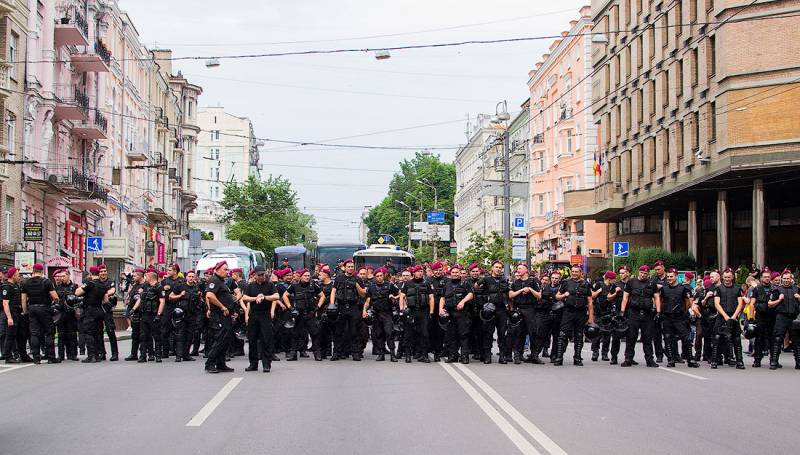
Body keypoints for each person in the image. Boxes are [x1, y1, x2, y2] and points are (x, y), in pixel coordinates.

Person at [620, 265, 661, 368]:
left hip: (647, 314)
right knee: (631, 337)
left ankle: (650, 360)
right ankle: (628, 359)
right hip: (633, 313)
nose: (643, 275)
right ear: (639, 272)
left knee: (647, 338)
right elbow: (625, 297)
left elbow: (656, 298)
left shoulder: (652, 283)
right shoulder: (631, 282)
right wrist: (622, 312)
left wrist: (658, 312)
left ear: (648, 274)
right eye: (642, 272)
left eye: (645, 273)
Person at [554, 265, 595, 366]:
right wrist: (564, 295)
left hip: (580, 313)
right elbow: (557, 296)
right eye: (573, 271)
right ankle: (559, 358)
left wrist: (591, 318)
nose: (574, 273)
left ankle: (577, 358)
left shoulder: (586, 284)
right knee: (563, 335)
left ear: (581, 273)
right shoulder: (566, 283)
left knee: (579, 336)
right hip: (568, 312)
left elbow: (590, 302)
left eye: (576, 271)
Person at [659, 268, 700, 368]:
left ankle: (690, 359)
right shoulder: (663, 289)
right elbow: (660, 300)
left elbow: (688, 302)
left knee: (686, 338)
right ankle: (671, 360)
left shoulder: (683, 288)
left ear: (676, 276)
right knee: (668, 338)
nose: (669, 278)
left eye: (671, 276)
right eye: (668, 277)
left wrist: (685, 311)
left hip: (680, 317)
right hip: (667, 317)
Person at [242, 266, 280, 372]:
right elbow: (244, 298)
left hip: (265, 315)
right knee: (252, 340)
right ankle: (253, 364)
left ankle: (266, 364)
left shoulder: (270, 285)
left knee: (266, 339)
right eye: (260, 275)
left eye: (263, 274)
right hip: (253, 315)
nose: (262, 276)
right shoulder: (250, 286)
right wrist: (255, 298)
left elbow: (276, 296)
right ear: (255, 275)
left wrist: (264, 297)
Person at [20, 264, 60, 364]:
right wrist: (56, 302)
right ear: (41, 271)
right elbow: (55, 297)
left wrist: (25, 311)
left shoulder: (25, 283)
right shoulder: (46, 281)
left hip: (32, 309)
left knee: (34, 333)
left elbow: (23, 300)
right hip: (44, 308)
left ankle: (36, 358)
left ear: (33, 271)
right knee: (49, 332)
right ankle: (51, 357)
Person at [75, 266, 116, 363]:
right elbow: (105, 300)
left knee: (89, 333)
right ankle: (98, 355)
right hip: (99, 310)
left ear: (90, 274)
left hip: (90, 311)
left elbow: (77, 293)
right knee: (98, 333)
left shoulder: (90, 283)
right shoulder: (104, 285)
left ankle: (91, 355)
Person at [204, 261, 237, 373]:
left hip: (226, 315)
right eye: (225, 269)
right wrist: (222, 307)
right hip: (218, 315)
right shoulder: (214, 280)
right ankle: (210, 363)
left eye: (227, 269)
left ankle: (221, 363)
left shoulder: (221, 281)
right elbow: (209, 295)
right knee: (220, 339)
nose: (227, 272)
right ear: (217, 269)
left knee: (225, 339)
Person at [283, 269, 324, 361]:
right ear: (301, 276)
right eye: (305, 275)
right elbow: (285, 295)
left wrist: (318, 307)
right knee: (295, 334)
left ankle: (317, 354)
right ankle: (293, 354)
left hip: (310, 313)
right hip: (299, 314)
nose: (307, 277)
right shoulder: (294, 285)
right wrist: (290, 308)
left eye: (308, 275)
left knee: (315, 334)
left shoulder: (313, 285)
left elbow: (322, 296)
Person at [330, 259, 366, 361]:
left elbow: (363, 294)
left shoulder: (358, 279)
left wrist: (357, 286)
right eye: (349, 266)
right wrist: (332, 304)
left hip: (354, 307)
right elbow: (333, 291)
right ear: (345, 267)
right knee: (338, 332)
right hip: (341, 307)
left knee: (354, 332)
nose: (350, 268)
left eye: (352, 267)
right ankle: (336, 353)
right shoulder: (339, 278)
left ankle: (355, 353)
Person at [364, 267, 400, 361]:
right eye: (377, 276)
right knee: (378, 334)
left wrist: (394, 296)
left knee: (389, 333)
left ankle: (392, 354)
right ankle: (381, 353)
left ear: (383, 276)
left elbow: (401, 293)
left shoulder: (390, 285)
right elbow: (368, 301)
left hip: (387, 313)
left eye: (381, 276)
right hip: (376, 313)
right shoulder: (371, 287)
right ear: (375, 277)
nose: (379, 277)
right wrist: (364, 310)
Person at [399, 265, 434, 363]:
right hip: (411, 311)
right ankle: (407, 355)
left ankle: (424, 355)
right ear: (413, 273)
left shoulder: (427, 283)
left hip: (424, 311)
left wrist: (431, 312)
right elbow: (402, 297)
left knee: (424, 334)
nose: (420, 273)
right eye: (418, 271)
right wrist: (402, 309)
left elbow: (431, 298)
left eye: (421, 271)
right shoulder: (407, 284)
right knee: (408, 334)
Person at [712, 269, 745, 369]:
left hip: (733, 317)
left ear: (732, 277)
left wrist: (734, 316)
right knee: (717, 338)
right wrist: (725, 316)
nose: (727, 279)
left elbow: (740, 303)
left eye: (729, 277)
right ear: (722, 277)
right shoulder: (718, 289)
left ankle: (739, 361)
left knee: (737, 339)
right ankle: (715, 360)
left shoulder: (737, 289)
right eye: (725, 277)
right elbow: (716, 303)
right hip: (722, 316)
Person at [508, 264, 541, 365]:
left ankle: (534, 355)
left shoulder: (533, 281)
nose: (517, 270)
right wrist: (521, 290)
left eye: (519, 268)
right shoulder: (515, 282)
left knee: (533, 333)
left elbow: (539, 295)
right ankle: (518, 355)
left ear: (526, 270)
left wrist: (530, 289)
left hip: (530, 309)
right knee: (518, 333)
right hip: (519, 309)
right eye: (517, 269)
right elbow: (511, 295)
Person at [440, 264, 473, 364]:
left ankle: (464, 356)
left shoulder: (465, 283)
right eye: (453, 272)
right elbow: (442, 298)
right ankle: (453, 355)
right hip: (450, 312)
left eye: (457, 272)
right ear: (450, 274)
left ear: (460, 273)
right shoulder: (447, 284)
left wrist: (463, 301)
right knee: (451, 335)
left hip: (462, 313)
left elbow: (471, 294)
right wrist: (440, 309)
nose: (455, 274)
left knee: (463, 335)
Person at [767, 271, 800, 370]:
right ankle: (774, 362)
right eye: (784, 279)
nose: (786, 280)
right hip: (781, 316)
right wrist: (779, 300)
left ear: (791, 279)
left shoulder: (796, 289)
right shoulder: (777, 289)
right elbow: (769, 304)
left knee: (796, 341)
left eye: (787, 279)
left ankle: (798, 363)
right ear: (782, 279)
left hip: (794, 317)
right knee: (777, 339)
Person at [742, 270, 775, 368]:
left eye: (768, 277)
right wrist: (751, 318)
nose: (767, 278)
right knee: (759, 339)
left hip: (772, 316)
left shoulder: (774, 288)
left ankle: (773, 360)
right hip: (760, 316)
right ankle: (757, 359)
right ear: (761, 278)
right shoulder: (757, 289)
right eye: (765, 277)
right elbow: (752, 304)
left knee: (772, 339)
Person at [131, 271, 165, 363]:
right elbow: (140, 299)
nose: (145, 278)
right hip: (144, 314)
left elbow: (162, 301)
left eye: (146, 276)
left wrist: (158, 314)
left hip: (154, 315)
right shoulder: (145, 286)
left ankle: (158, 355)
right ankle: (143, 356)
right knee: (143, 336)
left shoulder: (159, 287)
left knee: (157, 336)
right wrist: (133, 309)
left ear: (150, 277)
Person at [591, 271, 622, 364]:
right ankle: (595, 352)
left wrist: (615, 292)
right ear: (609, 279)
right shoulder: (598, 284)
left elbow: (611, 298)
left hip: (608, 313)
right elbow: (592, 296)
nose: (615, 280)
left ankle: (605, 353)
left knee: (607, 334)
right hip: (598, 312)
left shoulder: (613, 287)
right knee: (596, 333)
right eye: (614, 279)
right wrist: (599, 291)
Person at [2, 268, 31, 363]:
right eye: (18, 275)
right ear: (13, 275)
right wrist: (9, 318)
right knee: (10, 336)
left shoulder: (16, 286)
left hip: (18, 313)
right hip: (12, 313)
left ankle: (23, 355)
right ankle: (8, 356)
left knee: (21, 336)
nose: (19, 277)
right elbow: (5, 303)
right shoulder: (7, 287)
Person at [95, 264, 119, 361]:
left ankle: (115, 353)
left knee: (110, 331)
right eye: (101, 271)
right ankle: (102, 353)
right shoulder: (96, 282)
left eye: (104, 271)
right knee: (98, 332)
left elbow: (112, 290)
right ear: (98, 273)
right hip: (98, 308)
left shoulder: (110, 282)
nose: (103, 273)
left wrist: (102, 293)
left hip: (107, 309)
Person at [54, 270, 80, 361]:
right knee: (61, 335)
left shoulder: (74, 287)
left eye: (63, 276)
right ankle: (61, 355)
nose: (61, 278)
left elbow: (78, 299)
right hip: (61, 314)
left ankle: (73, 354)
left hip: (71, 314)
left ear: (69, 276)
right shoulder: (58, 287)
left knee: (72, 335)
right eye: (60, 276)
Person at [428, 262, 446, 361]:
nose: (438, 272)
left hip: (443, 309)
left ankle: (439, 351)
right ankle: (433, 349)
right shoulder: (428, 281)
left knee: (442, 331)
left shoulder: (447, 280)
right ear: (433, 271)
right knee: (432, 330)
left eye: (440, 270)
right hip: (432, 309)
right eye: (436, 270)